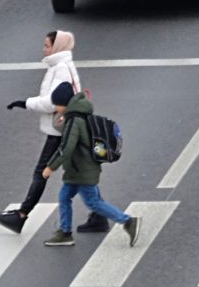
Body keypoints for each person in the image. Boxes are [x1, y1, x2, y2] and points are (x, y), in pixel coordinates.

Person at [0, 30, 108, 234]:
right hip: (65, 126)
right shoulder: (59, 66)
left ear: (56, 47)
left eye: (47, 45)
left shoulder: (61, 70)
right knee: (82, 171)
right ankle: (99, 216)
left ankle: (21, 215)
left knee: (42, 172)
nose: (44, 49)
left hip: (60, 129)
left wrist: (25, 103)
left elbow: (53, 102)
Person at [41, 83, 138, 248]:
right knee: (65, 197)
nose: (55, 108)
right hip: (78, 170)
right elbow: (61, 129)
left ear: (64, 103)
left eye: (56, 104)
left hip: (82, 171)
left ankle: (127, 221)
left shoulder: (74, 121)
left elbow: (67, 147)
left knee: (93, 202)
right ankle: (65, 232)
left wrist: (50, 167)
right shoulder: (77, 115)